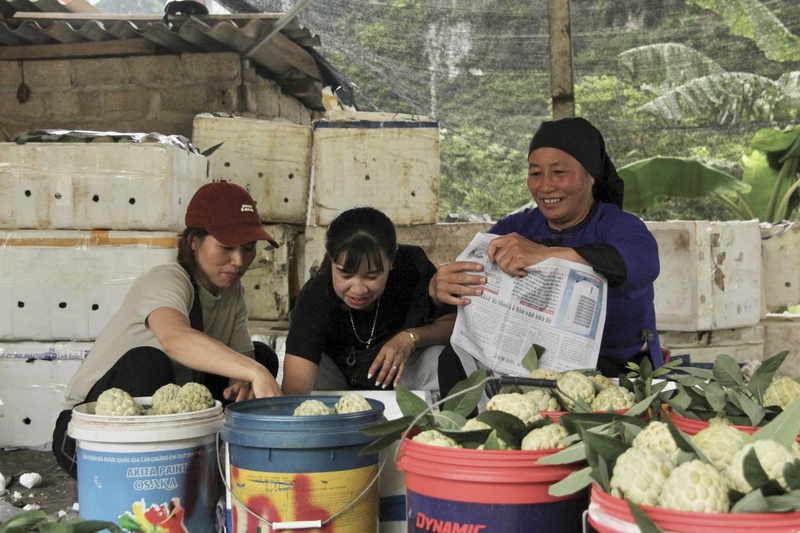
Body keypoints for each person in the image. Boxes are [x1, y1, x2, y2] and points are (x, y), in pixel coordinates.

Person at [52, 180, 282, 478]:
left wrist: (249, 379)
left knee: (261, 358)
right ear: (194, 241)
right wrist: (255, 373)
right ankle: (135, 475)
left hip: (169, 419)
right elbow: (175, 339)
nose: (239, 261)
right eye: (226, 247)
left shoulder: (232, 292)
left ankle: (219, 463)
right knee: (148, 363)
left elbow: (243, 363)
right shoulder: (166, 279)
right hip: (87, 434)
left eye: (248, 248)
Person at [431, 117, 664, 391]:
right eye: (535, 173)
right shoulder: (515, 227)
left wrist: (548, 255)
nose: (545, 186)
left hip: (612, 369)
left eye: (559, 172)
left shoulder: (618, 226)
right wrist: (441, 288)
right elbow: (473, 281)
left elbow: (644, 263)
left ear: (591, 176)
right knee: (453, 360)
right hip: (524, 365)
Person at [282, 206, 457, 396]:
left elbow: (454, 326)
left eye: (372, 276)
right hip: (335, 384)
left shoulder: (413, 269)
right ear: (331, 262)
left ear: (392, 263)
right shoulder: (315, 296)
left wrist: (411, 338)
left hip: (401, 379)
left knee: (442, 359)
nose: (358, 290)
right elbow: (294, 391)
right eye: (345, 274)